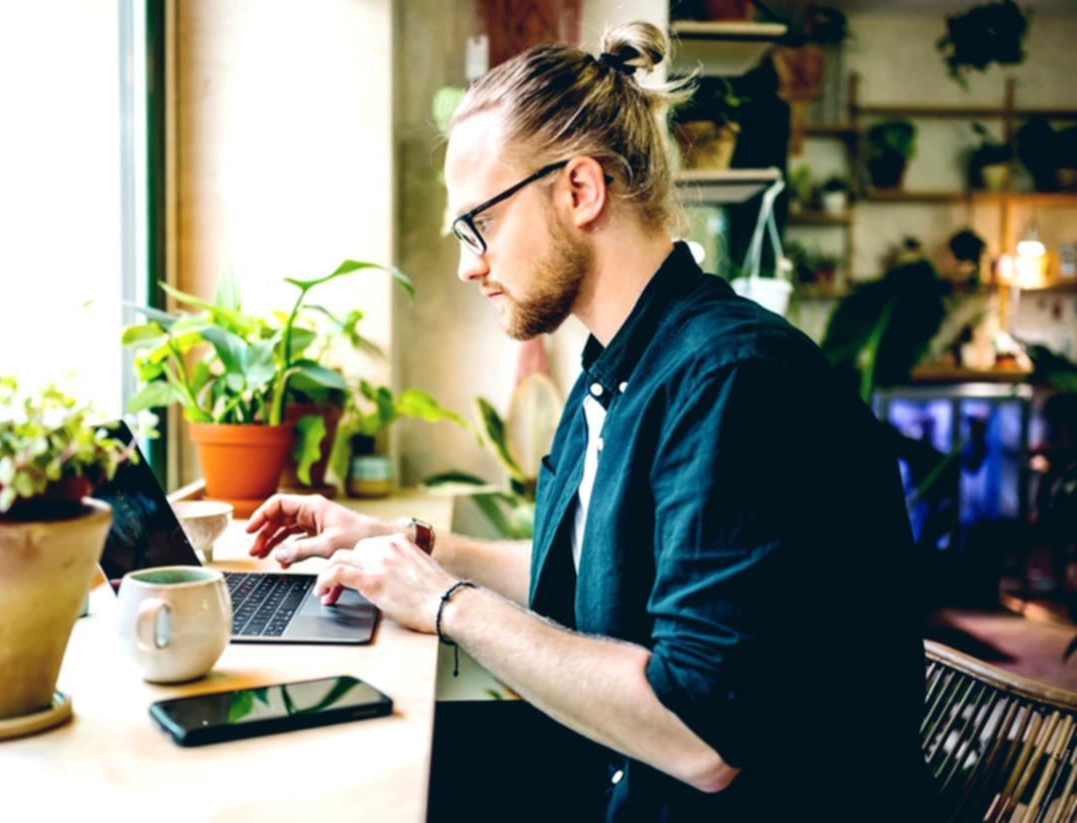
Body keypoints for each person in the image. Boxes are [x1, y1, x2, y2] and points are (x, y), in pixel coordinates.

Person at [248, 21, 934, 820]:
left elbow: (701, 735)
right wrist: (401, 542)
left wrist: (446, 602)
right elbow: (586, 562)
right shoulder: (622, 364)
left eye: (480, 223)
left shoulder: (734, 382)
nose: (470, 261)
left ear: (580, 189)